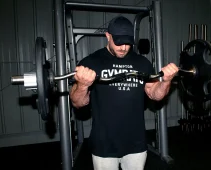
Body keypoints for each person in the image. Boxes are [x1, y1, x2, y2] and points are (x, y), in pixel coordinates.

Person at [69, 16, 179, 170]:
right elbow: (77, 102)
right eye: (119, 42)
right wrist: (82, 85)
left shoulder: (142, 63)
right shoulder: (90, 62)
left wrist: (166, 81)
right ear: (108, 36)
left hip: (136, 142)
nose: (124, 48)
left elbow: (155, 94)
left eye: (128, 43)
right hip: (104, 143)